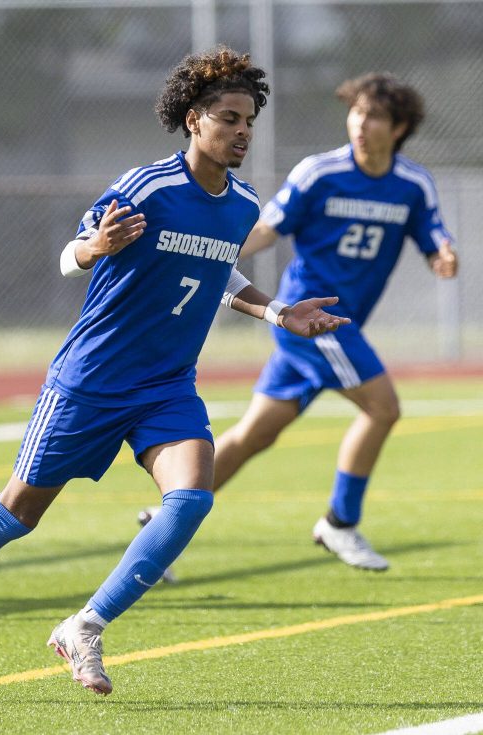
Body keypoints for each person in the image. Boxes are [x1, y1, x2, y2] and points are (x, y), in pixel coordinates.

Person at [0, 47, 350, 703]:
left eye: (249, 120)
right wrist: (93, 247)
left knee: (191, 497)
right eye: (229, 118)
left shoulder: (243, 204)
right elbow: (68, 256)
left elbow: (218, 273)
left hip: (166, 386)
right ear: (194, 120)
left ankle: (85, 623)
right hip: (90, 382)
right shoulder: (147, 186)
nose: (243, 131)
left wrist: (278, 311)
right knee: (17, 512)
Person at [139, 73, 458, 573]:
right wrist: (216, 252)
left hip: (334, 326)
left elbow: (432, 230)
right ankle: (340, 522)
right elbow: (268, 227)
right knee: (383, 408)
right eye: (355, 111)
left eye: (373, 115)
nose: (360, 123)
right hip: (310, 318)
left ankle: (163, 521)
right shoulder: (319, 173)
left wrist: (442, 253)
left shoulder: (412, 184)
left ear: (398, 128)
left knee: (254, 435)